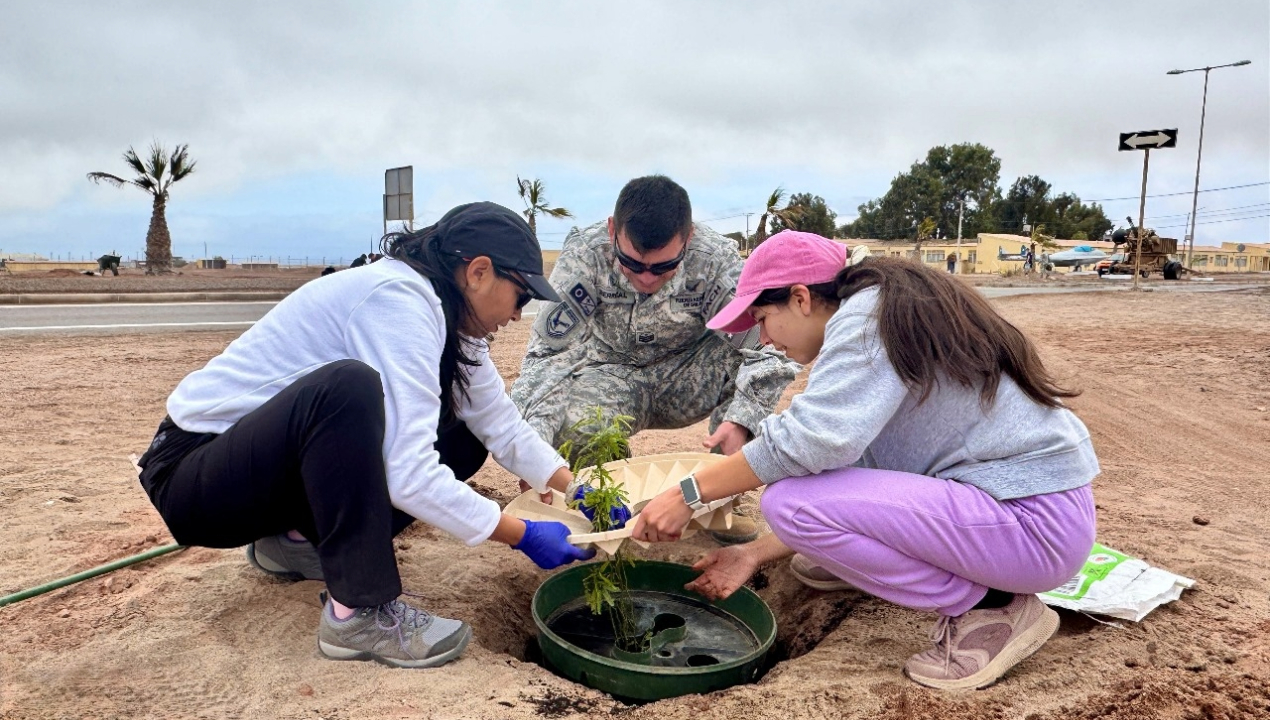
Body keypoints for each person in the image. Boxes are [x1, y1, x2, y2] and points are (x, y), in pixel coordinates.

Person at [136, 202, 598, 669]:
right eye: (521, 296)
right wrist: (521, 534)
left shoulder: (454, 320)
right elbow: (409, 475)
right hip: (194, 476)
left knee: (464, 434)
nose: (518, 315)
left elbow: (500, 421)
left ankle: (296, 543)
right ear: (479, 272)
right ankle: (357, 612)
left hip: (257, 473)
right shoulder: (398, 301)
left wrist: (579, 490)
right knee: (348, 389)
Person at [632, 230, 1098, 690]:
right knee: (813, 499)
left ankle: (992, 606)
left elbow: (809, 441)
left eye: (763, 318)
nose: (764, 340)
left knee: (787, 502)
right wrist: (752, 553)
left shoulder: (867, 319)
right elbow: (846, 464)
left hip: (1033, 530)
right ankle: (883, 566)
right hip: (1024, 513)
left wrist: (688, 494)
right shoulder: (879, 306)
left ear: (800, 298)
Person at [510, 175, 800, 543]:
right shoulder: (586, 254)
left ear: (688, 238)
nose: (646, 278)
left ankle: (723, 498)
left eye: (664, 267)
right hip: (609, 377)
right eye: (631, 263)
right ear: (613, 231)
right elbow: (549, 354)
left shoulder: (713, 261)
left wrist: (743, 420)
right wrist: (535, 447)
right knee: (573, 422)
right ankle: (604, 497)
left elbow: (767, 346)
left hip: (687, 376)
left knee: (750, 361)